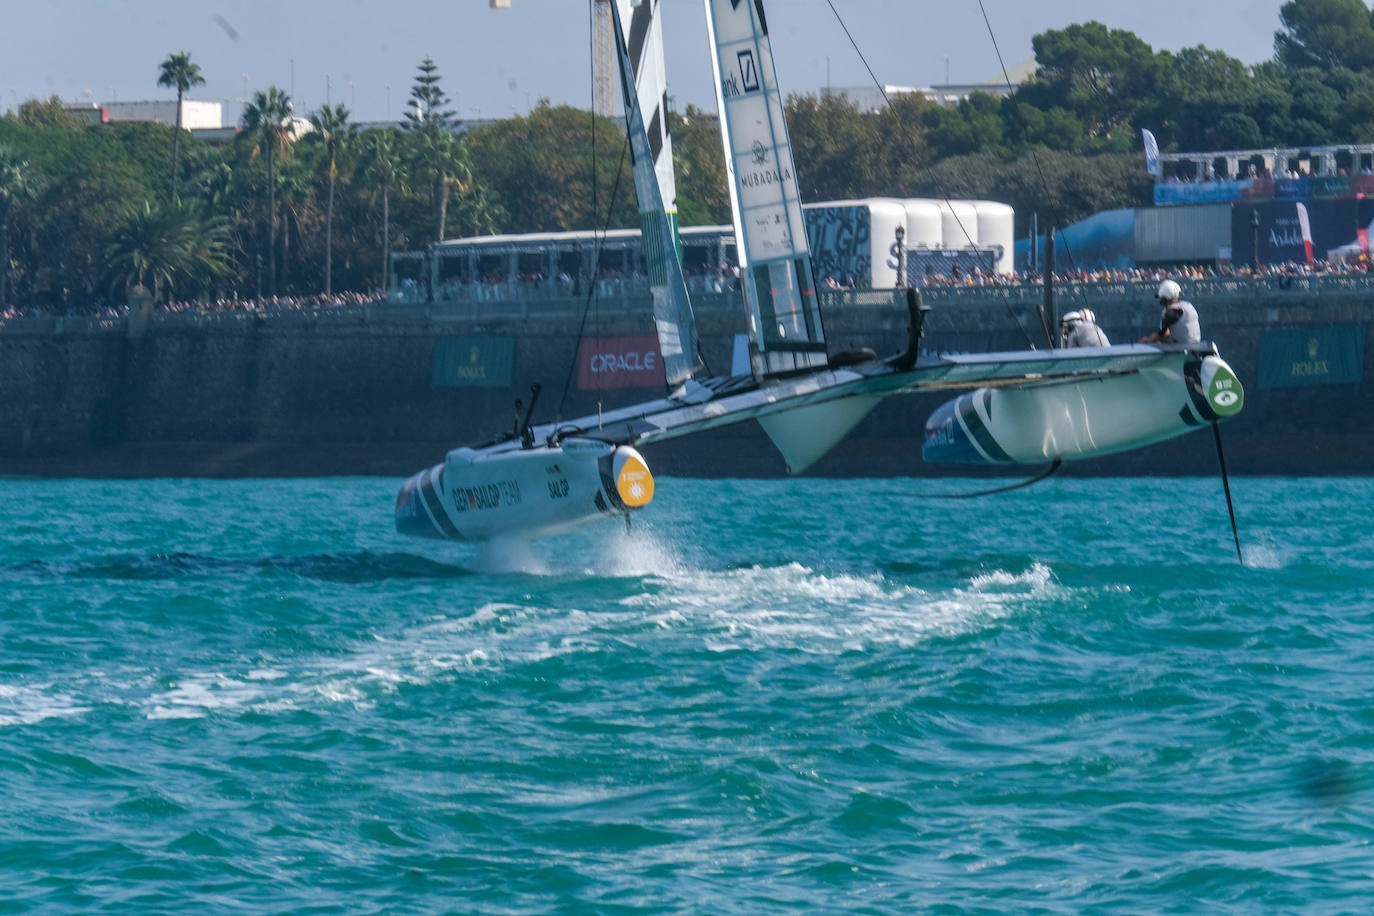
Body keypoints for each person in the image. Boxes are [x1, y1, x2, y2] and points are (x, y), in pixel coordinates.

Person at [1140, 279, 1200, 344]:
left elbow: (1163, 335)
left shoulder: (1170, 311)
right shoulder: (1189, 305)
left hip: (1182, 349)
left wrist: (1147, 340)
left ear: (1164, 298)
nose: (1159, 300)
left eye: (1160, 297)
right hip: (1196, 345)